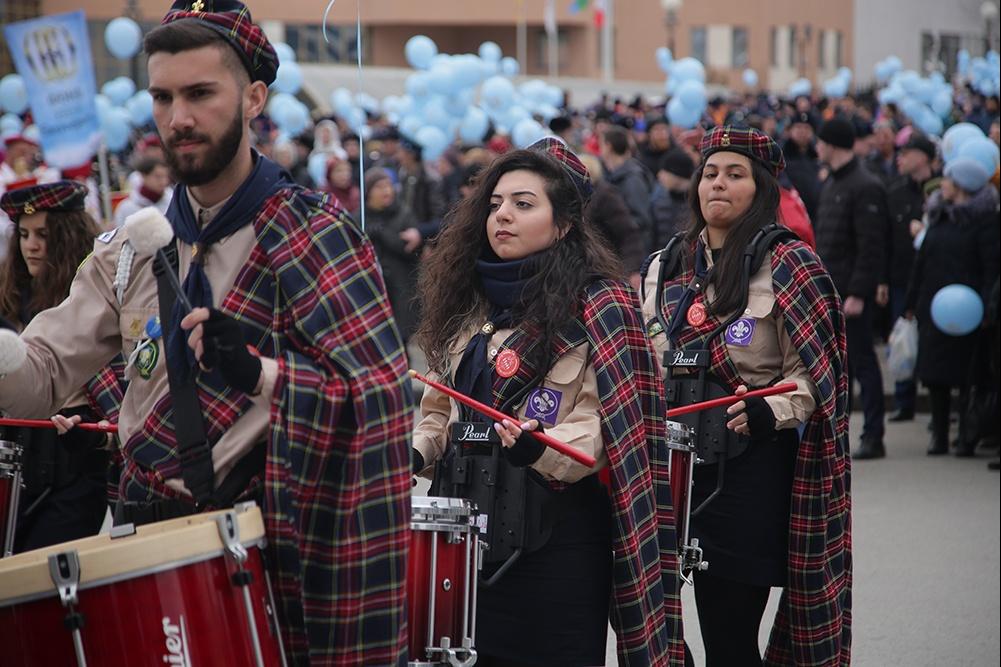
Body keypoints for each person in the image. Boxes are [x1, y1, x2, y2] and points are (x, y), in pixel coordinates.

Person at [0, 3, 412, 664]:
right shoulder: (125, 250)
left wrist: (261, 375)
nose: (177, 118)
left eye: (199, 94)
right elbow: (42, 375)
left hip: (270, 547)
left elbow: (384, 399)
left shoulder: (315, 233)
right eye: (162, 97)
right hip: (139, 543)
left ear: (253, 98)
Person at [412, 138, 685, 666]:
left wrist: (538, 447)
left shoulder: (603, 305)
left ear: (562, 225)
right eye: (494, 204)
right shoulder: (467, 301)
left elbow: (607, 429)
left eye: (523, 203)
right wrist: (414, 452)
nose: (502, 216)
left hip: (557, 547)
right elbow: (440, 413)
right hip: (464, 544)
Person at [642, 126, 851, 667]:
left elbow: (816, 377)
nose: (718, 184)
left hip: (747, 469)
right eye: (709, 173)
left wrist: (772, 408)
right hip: (669, 470)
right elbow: (638, 364)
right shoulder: (664, 266)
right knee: (651, 636)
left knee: (730, 642)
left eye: (735, 175)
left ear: (761, 188)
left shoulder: (792, 265)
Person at [0, 181, 117, 552]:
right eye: (23, 234)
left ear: (67, 237)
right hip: (21, 462)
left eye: (43, 234)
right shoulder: (11, 300)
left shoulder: (94, 302)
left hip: (76, 463)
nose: (30, 245)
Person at [905, 158, 1000, 456]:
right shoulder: (940, 216)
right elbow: (921, 263)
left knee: (967, 375)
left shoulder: (985, 222)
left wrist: (986, 307)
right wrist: (910, 302)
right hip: (934, 306)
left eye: (947, 179)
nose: (942, 184)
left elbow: (990, 268)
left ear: (961, 185)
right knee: (935, 375)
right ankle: (940, 435)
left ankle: (966, 436)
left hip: (968, 310)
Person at [814, 117, 889, 459]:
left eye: (821, 141)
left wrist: (858, 292)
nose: (817, 147)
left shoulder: (865, 185)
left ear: (831, 144)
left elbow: (871, 245)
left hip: (850, 295)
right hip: (831, 292)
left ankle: (874, 435)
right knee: (839, 368)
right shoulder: (834, 183)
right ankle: (838, 434)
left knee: (863, 363)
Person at [885, 132, 939, 421]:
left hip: (934, 281)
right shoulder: (895, 191)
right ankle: (904, 400)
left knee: (932, 343)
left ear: (922, 157)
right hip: (901, 278)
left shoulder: (941, 189)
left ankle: (936, 404)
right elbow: (885, 239)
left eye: (906, 153)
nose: (900, 158)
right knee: (902, 340)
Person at [354, 167, 421, 342]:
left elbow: (408, 248)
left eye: (389, 186)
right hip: (372, 289)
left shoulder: (403, 213)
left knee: (400, 339)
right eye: (380, 187)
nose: (386, 191)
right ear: (368, 191)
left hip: (400, 287)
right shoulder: (359, 218)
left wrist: (384, 234)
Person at [601, 125, 655, 254]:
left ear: (608, 146)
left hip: (634, 253)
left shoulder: (632, 178)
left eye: (601, 144)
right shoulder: (616, 175)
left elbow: (642, 219)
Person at [113, 156, 174, 227]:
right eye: (158, 176)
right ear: (143, 176)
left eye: (166, 176)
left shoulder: (172, 203)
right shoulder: (127, 207)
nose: (164, 182)